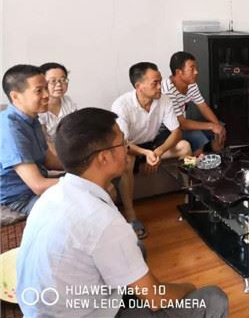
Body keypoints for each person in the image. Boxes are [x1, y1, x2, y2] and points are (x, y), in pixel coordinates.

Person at [16, 107, 228, 317]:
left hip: (45, 308)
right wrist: (188, 287)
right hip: (81, 313)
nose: (127, 149)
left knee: (138, 249)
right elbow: (156, 299)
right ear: (103, 158)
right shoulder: (102, 220)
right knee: (212, 298)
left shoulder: (53, 194)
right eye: (122, 143)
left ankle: (130, 297)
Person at [112, 62, 191, 238]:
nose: (160, 87)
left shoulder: (164, 100)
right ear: (138, 86)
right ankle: (131, 216)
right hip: (130, 147)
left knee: (185, 146)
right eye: (155, 83)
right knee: (127, 160)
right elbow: (122, 143)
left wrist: (159, 152)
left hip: (153, 145)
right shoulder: (121, 105)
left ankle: (189, 197)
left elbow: (176, 131)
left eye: (160, 81)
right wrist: (146, 154)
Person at [0, 64, 62, 214]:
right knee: (83, 202)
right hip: (21, 197)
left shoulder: (31, 119)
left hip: (36, 186)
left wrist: (84, 167)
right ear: (15, 96)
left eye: (46, 88)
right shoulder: (10, 129)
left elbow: (49, 161)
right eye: (39, 91)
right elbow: (38, 185)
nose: (47, 95)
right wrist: (83, 181)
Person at [161, 52, 226, 155]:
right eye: (192, 69)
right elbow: (182, 124)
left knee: (219, 128)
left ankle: (219, 157)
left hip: (180, 125)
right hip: (167, 130)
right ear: (179, 72)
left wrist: (217, 126)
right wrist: (212, 126)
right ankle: (198, 162)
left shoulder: (191, 84)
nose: (196, 72)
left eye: (196, 68)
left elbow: (203, 106)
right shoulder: (167, 90)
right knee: (197, 136)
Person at [38, 62, 77, 155]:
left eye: (63, 80)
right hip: (47, 153)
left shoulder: (68, 101)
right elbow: (45, 141)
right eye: (53, 81)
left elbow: (75, 130)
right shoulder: (38, 108)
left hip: (68, 148)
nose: (59, 84)